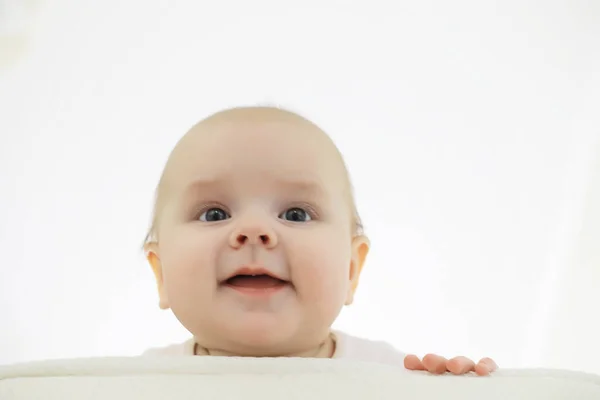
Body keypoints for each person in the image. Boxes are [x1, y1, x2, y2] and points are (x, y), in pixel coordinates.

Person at [142, 106, 497, 376]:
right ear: (161, 275)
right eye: (214, 214)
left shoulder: (389, 376)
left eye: (296, 214)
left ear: (351, 270)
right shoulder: (136, 384)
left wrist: (459, 391)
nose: (253, 230)